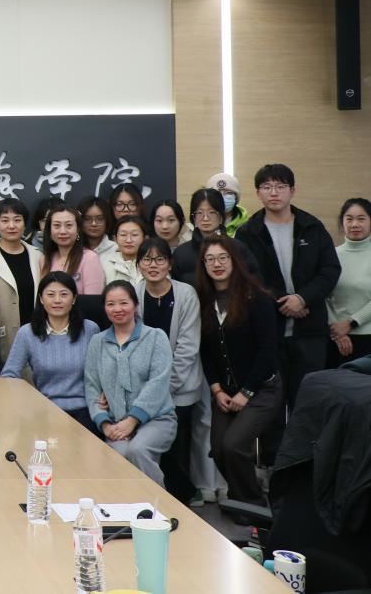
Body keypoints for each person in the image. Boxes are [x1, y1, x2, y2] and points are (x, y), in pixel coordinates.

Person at [237, 163, 341, 411]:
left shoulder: (311, 226)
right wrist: (285, 301)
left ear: (292, 191)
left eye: (280, 186)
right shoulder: (248, 233)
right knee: (270, 407)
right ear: (258, 193)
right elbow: (247, 277)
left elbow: (330, 270)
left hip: (311, 330)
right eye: (267, 187)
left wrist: (302, 299)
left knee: (308, 403)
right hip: (268, 331)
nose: (274, 192)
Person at [194, 239, 282, 504]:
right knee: (219, 449)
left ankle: (252, 505)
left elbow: (269, 351)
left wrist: (246, 392)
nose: (217, 264)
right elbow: (205, 351)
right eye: (210, 259)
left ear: (235, 261)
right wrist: (216, 389)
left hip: (262, 389)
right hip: (225, 392)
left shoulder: (257, 297)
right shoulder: (203, 300)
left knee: (234, 446)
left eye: (223, 257)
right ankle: (243, 499)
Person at [84, 281, 177, 485]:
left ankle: (157, 503)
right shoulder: (97, 342)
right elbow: (91, 387)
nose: (117, 309)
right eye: (111, 304)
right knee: (117, 454)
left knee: (137, 450)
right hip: (115, 422)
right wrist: (105, 425)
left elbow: (158, 383)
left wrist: (132, 420)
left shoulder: (155, 337)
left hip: (157, 419)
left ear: (135, 305)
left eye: (124, 303)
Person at [135, 238, 203, 504]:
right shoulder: (134, 292)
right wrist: (149, 390)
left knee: (176, 447)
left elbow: (188, 347)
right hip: (144, 387)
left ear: (170, 264)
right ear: (138, 265)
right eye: (147, 259)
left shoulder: (186, 294)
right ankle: (162, 497)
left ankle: (183, 496)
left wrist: (164, 387)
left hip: (180, 386)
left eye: (160, 259)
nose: (153, 265)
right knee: (150, 444)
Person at [1, 271, 100, 431]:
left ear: (74, 299)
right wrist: (29, 401)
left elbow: (101, 372)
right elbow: (8, 376)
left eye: (64, 294)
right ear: (41, 299)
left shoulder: (90, 329)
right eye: (51, 294)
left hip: (85, 410)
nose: (57, 300)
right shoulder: (27, 333)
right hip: (44, 410)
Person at [0, 198, 45, 361]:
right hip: (1, 337)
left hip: (36, 335)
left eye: (17, 220)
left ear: (24, 224)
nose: (11, 226)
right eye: (5, 220)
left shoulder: (37, 256)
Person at [171, 188, 259, 286]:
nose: (205, 218)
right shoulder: (180, 254)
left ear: (221, 216)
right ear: (193, 217)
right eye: (199, 213)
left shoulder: (238, 249)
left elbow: (254, 283)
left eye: (212, 212)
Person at [328, 198, 371, 363]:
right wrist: (336, 331)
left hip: (367, 337)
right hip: (336, 339)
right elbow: (322, 295)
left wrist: (351, 323)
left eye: (361, 219)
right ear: (342, 222)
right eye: (349, 219)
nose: (355, 224)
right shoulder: (330, 255)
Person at [41, 203, 105, 295]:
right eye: (57, 225)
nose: (63, 231)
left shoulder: (89, 258)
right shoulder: (44, 260)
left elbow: (92, 300)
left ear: (78, 230)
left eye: (68, 225)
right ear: (49, 231)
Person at [101, 216, 146, 285]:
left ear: (145, 238)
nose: (129, 240)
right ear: (115, 239)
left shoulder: (152, 263)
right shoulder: (104, 264)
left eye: (134, 235)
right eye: (123, 235)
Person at [205, 172, 249, 237]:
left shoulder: (248, 226)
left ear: (236, 198)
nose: (222, 198)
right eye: (217, 193)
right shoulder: (200, 224)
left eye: (229, 193)